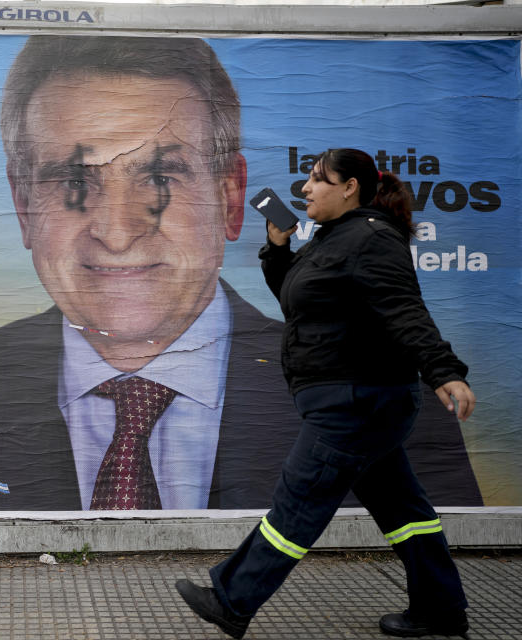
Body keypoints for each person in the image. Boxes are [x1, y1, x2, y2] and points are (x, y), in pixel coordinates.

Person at [0, 36, 480, 512]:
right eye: (73, 181)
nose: (117, 232)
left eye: (162, 175)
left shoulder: (375, 397)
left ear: (231, 196)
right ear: (24, 206)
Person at [175, 148, 474, 638]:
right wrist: (276, 249)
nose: (306, 190)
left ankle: (231, 600)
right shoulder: (335, 240)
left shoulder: (372, 239)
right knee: (405, 513)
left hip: (356, 403)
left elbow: (405, 311)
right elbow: (300, 302)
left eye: (317, 180)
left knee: (299, 501)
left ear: (350, 187)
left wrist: (444, 371)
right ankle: (440, 607)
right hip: (362, 402)